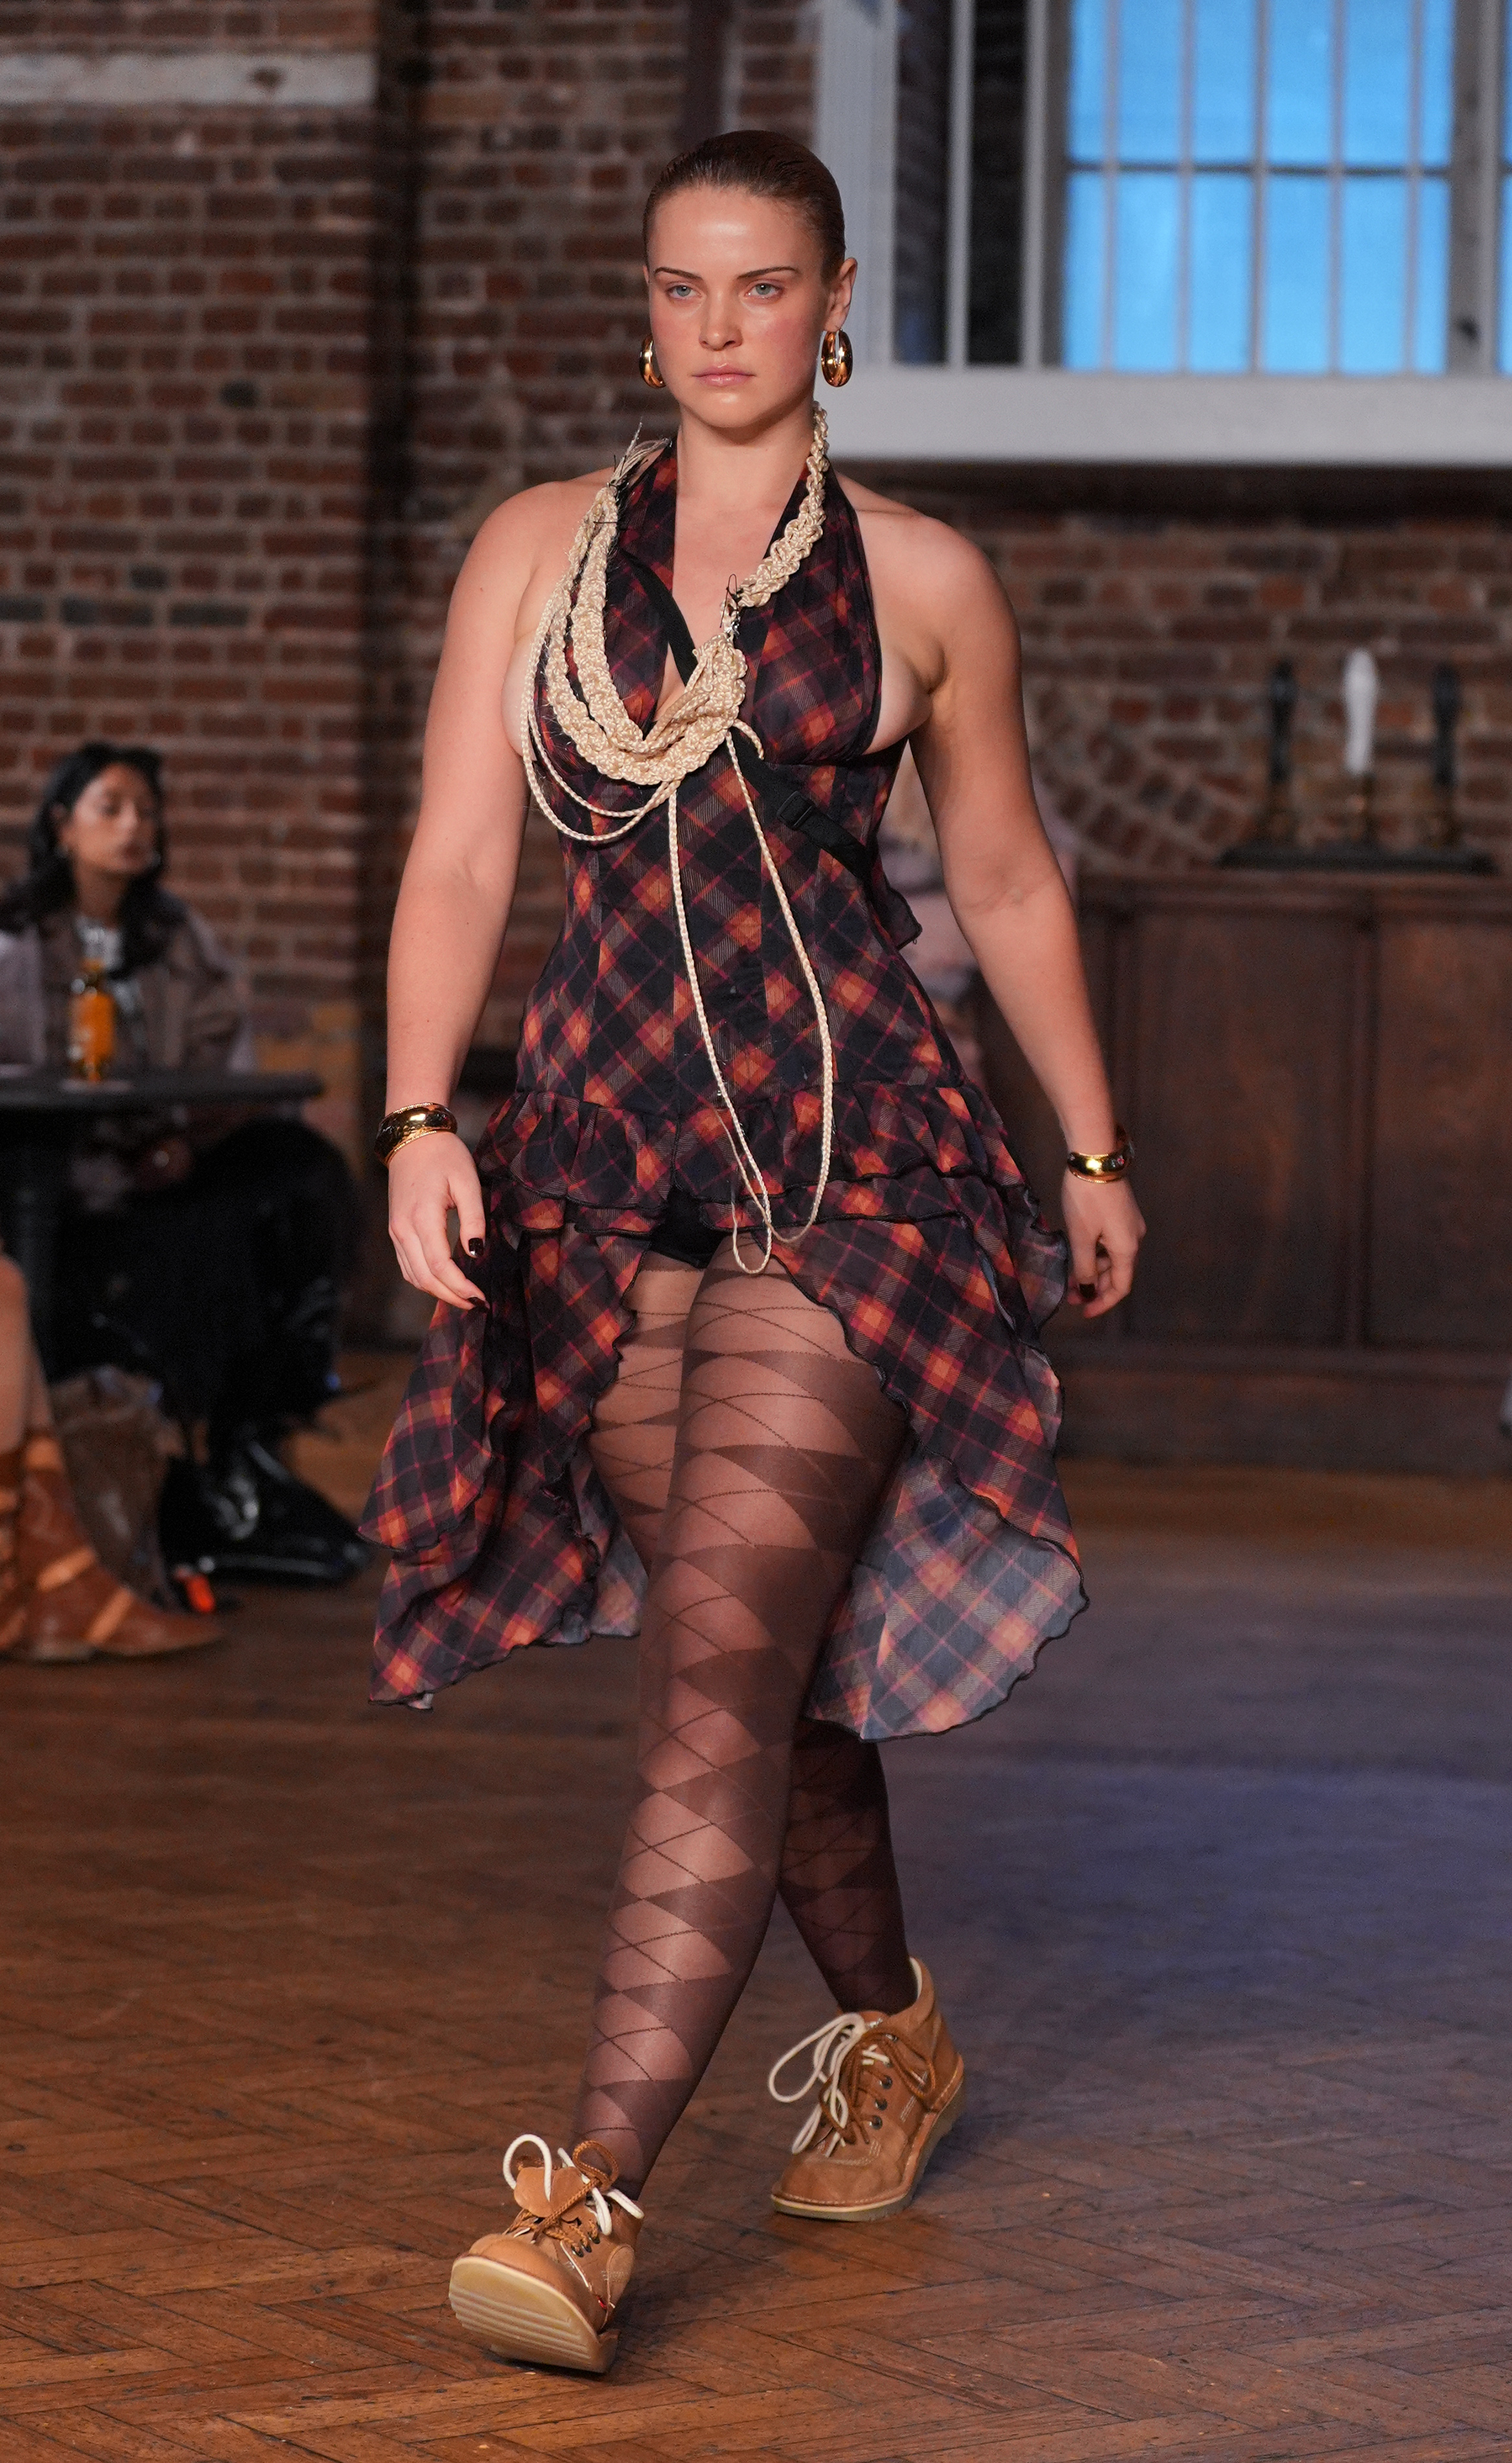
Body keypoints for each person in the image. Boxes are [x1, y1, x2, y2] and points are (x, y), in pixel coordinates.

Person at [365, 130, 1145, 2375]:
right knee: (768, 1672)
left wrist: (1084, 1144)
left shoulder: (920, 582)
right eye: (680, 289)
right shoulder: (536, 553)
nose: (719, 327)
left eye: (761, 287)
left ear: (833, 310)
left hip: (856, 1173)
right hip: (602, 1171)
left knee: (712, 1657)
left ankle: (587, 2201)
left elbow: (997, 883)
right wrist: (422, 1117)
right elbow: (451, 855)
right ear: (647, 311)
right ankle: (888, 2031)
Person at [0, 743, 366, 1585]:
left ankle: (257, 1436)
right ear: (60, 826)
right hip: (70, 1188)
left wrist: (188, 1141)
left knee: (300, 1168)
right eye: (110, 808)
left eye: (146, 810)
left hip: (174, 1167)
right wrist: (113, 1159)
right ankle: (163, 1471)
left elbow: (232, 1067)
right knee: (189, 1249)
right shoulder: (21, 945)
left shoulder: (176, 935)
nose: (134, 826)